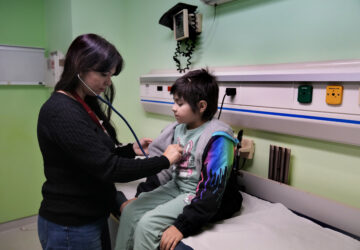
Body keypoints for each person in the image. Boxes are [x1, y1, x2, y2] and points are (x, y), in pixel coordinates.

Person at [36, 33, 183, 250]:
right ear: (79, 68)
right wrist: (164, 161)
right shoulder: (62, 111)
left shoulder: (82, 103)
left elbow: (93, 154)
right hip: (71, 226)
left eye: (111, 75)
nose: (108, 82)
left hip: (91, 216)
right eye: (103, 73)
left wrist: (131, 149)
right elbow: (109, 168)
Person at [115, 69, 243, 250]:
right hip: (176, 186)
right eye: (174, 101)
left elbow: (212, 191)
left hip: (195, 194)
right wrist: (142, 196)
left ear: (201, 106)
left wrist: (182, 226)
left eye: (180, 103)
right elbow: (163, 167)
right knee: (129, 212)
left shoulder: (219, 138)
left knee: (147, 225)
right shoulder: (178, 128)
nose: (173, 107)